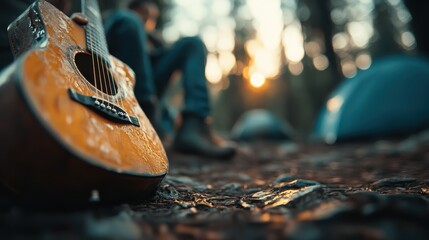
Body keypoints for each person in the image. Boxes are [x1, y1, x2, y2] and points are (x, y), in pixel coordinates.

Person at [103, 0, 236, 159]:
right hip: (121, 86)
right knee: (130, 21)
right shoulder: (118, 20)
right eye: (147, 16)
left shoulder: (154, 41)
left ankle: (194, 125)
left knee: (193, 44)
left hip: (152, 90)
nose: (150, 22)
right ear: (136, 8)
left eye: (152, 18)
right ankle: (147, 116)